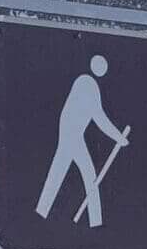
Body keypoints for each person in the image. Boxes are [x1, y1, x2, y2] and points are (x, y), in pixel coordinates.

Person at [36, 53, 130, 227]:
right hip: (71, 134)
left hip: (72, 134)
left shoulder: (86, 82)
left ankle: (43, 210)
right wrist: (119, 137)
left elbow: (96, 116)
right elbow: (99, 117)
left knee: (63, 172)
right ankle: (95, 221)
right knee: (86, 173)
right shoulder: (87, 84)